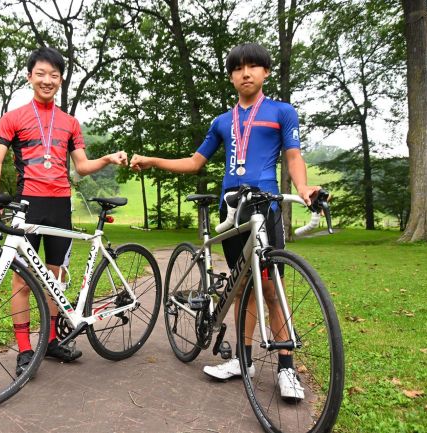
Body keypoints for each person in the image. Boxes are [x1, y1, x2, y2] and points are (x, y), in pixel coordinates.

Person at [130, 43, 319, 400]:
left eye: (253, 67)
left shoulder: (282, 112)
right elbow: (194, 162)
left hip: (266, 208)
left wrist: (304, 186)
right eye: (238, 68)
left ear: (265, 72)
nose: (245, 73)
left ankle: (286, 368)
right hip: (231, 208)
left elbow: (293, 157)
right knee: (240, 287)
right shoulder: (221, 122)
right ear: (231, 76)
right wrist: (153, 160)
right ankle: (243, 361)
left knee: (271, 289)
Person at [0, 46, 128, 375]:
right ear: (29, 77)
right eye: (41, 74)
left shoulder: (70, 123)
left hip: (59, 204)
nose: (47, 80)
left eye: (54, 75)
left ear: (61, 80)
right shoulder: (13, 118)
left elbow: (81, 166)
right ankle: (24, 351)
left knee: (55, 279)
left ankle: (50, 342)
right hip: (27, 203)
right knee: (21, 281)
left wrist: (106, 159)